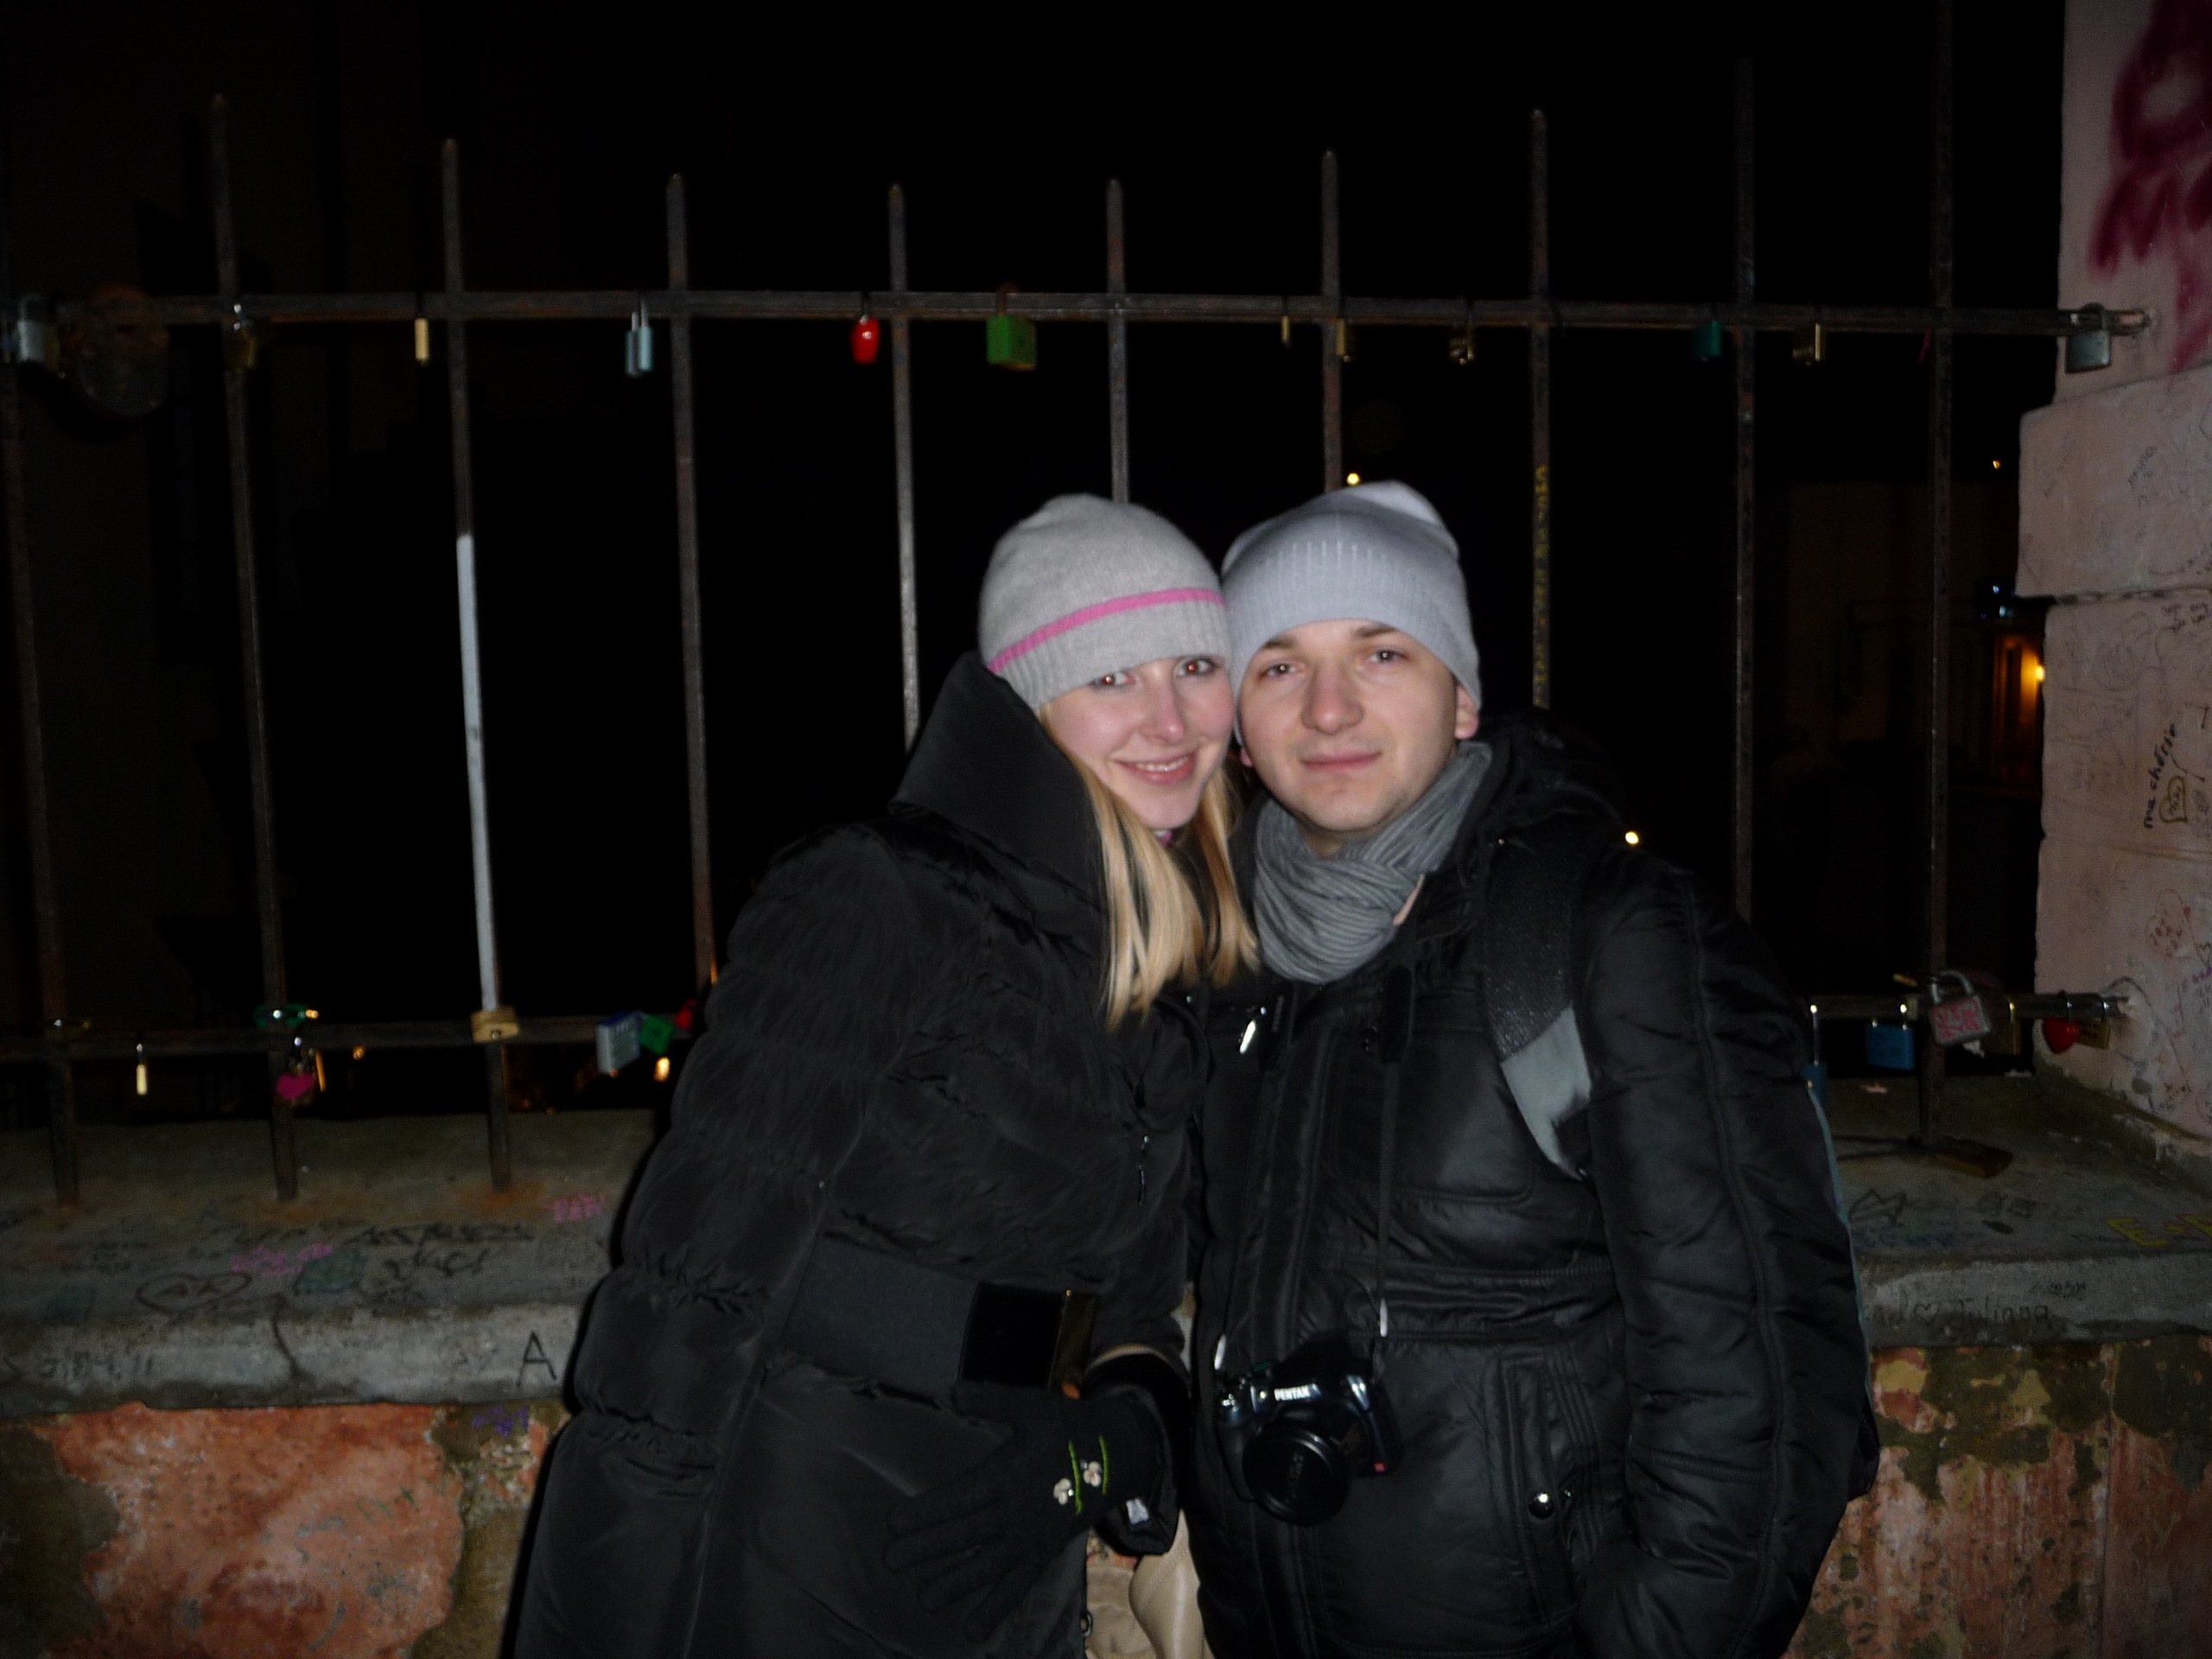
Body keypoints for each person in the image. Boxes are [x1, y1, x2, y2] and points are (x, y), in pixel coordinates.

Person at [516, 494, 1255, 1658]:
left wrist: (1100, 1446)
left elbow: (1130, 1308)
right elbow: (693, 1289)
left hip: (1004, 1535)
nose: (1168, 720)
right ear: (1030, 703)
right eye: (1111, 678)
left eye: (1196, 667)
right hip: (799, 1520)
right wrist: (609, 1618)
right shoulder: (883, 894)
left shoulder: (1166, 954)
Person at [1184, 481, 1876, 1659]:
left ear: (1462, 698)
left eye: (1384, 652)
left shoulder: (1604, 935)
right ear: (1240, 726)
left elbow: (1756, 1372)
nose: (1329, 707)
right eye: (1280, 665)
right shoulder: (1226, 953)